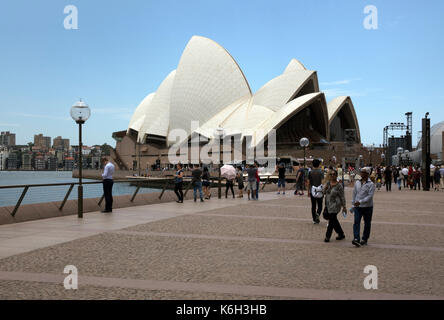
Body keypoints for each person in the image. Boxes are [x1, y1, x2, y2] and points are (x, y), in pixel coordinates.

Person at [352, 167, 376, 247]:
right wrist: (353, 203)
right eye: (361, 172)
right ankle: (356, 238)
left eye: (363, 172)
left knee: (367, 223)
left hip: (367, 207)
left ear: (367, 174)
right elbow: (354, 193)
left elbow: (370, 196)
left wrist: (360, 202)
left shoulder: (371, 184)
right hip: (358, 207)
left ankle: (365, 238)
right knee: (356, 222)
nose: (361, 173)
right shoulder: (357, 182)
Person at [323, 169, 346, 242]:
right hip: (328, 204)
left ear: (336, 175)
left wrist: (344, 206)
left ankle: (327, 236)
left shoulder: (339, 186)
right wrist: (325, 189)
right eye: (331, 174)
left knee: (331, 220)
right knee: (334, 220)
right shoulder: (328, 183)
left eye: (334, 174)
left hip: (335, 205)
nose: (332, 175)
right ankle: (341, 234)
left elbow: (342, 196)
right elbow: (323, 193)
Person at [308, 159, 324, 224]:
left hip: (312, 190)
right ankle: (318, 213)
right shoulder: (321, 172)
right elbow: (322, 182)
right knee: (320, 205)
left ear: (312, 164)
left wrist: (308, 191)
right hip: (320, 190)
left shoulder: (310, 172)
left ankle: (314, 219)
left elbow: (308, 182)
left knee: (313, 205)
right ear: (319, 164)